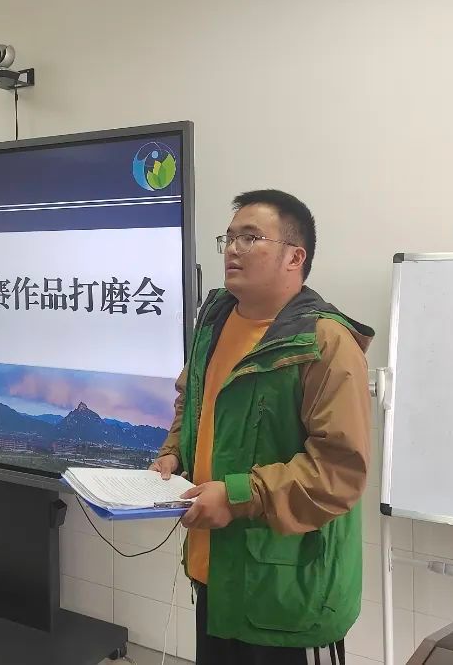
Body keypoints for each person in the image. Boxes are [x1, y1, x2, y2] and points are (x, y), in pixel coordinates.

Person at [150, 190, 373, 665]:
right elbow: (193, 397)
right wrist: (174, 452)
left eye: (250, 238)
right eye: (229, 238)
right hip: (216, 566)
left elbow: (338, 471)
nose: (233, 249)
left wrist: (236, 496)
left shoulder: (325, 343)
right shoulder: (215, 319)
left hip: (284, 588)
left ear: (295, 257)